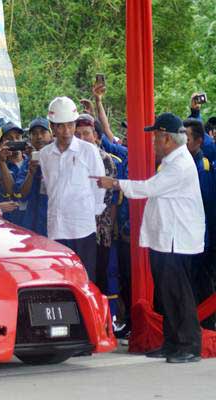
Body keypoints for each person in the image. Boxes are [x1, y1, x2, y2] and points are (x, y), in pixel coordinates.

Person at [95, 112, 204, 363]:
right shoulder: (171, 160)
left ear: (167, 138)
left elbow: (148, 188)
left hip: (176, 240)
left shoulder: (180, 164)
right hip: (165, 238)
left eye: (156, 137)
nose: (153, 142)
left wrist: (115, 184)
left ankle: (189, 345)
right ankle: (172, 343)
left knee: (180, 295)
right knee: (166, 294)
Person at [40, 96, 106, 282]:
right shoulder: (45, 155)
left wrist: (88, 212)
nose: (66, 131)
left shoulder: (88, 151)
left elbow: (99, 186)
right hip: (56, 228)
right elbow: (50, 187)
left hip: (82, 228)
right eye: (60, 126)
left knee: (84, 279)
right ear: (52, 127)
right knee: (61, 280)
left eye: (70, 125)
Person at [75, 113, 117, 294]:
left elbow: (104, 198)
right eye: (78, 135)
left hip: (98, 229)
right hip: (74, 228)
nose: (82, 138)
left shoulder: (104, 159)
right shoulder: (69, 157)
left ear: (95, 136)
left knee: (97, 279)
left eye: (86, 133)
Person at [183, 117, 216, 329]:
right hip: (189, 235)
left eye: (186, 139)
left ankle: (206, 322)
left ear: (198, 142)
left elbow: (204, 203)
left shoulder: (203, 165)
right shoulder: (182, 162)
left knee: (201, 281)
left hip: (201, 237)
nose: (182, 143)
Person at [14, 118, 52, 236]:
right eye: (34, 134)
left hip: (54, 223)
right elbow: (22, 195)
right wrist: (31, 173)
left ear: (51, 134)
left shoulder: (59, 157)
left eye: (43, 132)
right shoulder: (29, 161)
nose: (39, 137)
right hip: (32, 224)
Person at [0, 121, 26, 224]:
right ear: (1, 143)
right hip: (8, 224)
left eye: (18, 137)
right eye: (9, 139)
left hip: (31, 222)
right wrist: (2, 162)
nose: (15, 141)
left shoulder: (31, 162)